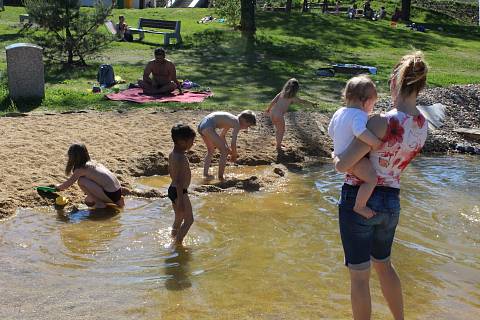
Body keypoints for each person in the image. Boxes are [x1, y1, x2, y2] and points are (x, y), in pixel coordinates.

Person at [333, 51, 429, 320]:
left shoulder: (380, 121)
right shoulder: (423, 125)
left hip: (360, 198)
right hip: (391, 202)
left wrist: (335, 156)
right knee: (384, 265)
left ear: (393, 82)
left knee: (360, 277)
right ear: (420, 85)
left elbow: (343, 164)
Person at [328, 75, 383, 219]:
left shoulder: (339, 112)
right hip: (353, 159)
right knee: (371, 179)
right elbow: (360, 131)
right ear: (365, 101)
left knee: (368, 178)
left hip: (340, 153)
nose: (372, 108)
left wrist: (340, 143)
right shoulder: (359, 114)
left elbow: (330, 131)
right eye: (373, 103)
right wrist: (375, 142)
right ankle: (360, 206)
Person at [56, 143, 125, 209]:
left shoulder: (81, 169)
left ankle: (99, 203)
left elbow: (67, 184)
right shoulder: (93, 162)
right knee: (88, 200)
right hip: (118, 191)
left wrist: (58, 187)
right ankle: (117, 201)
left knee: (81, 181)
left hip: (111, 194)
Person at [198, 111, 256, 180]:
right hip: (208, 127)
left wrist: (228, 149)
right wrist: (234, 155)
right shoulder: (237, 123)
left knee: (211, 150)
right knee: (224, 152)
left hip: (201, 126)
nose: (246, 128)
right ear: (243, 120)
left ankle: (205, 174)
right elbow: (233, 143)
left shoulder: (231, 119)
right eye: (247, 126)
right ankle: (221, 177)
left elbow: (222, 135)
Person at [266, 78, 316, 152]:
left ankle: (278, 143)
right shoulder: (292, 97)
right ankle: (278, 147)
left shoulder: (281, 93)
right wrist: (312, 103)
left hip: (272, 112)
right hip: (279, 115)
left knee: (278, 129)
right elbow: (302, 101)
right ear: (296, 89)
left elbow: (273, 101)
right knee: (281, 130)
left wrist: (268, 109)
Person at [168, 124, 196, 244]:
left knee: (179, 218)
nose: (193, 144)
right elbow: (179, 182)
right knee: (189, 220)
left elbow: (172, 173)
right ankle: (177, 244)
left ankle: (173, 236)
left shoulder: (172, 154)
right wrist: (180, 201)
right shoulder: (181, 158)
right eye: (191, 141)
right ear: (181, 142)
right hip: (180, 191)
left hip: (172, 189)